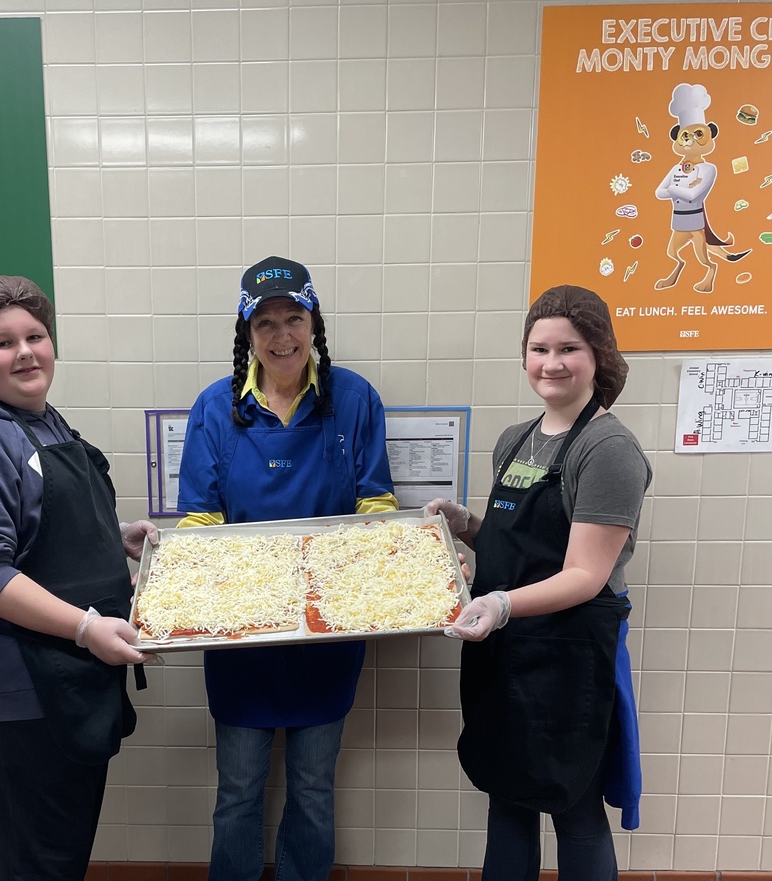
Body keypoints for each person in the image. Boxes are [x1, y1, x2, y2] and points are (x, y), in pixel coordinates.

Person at [0, 275, 156, 881]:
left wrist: (113, 540)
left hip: (72, 678)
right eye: (1, 343)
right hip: (26, 687)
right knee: (40, 862)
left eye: (35, 336)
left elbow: (41, 531)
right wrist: (85, 628)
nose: (24, 352)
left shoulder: (43, 424)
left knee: (63, 853)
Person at [177, 256, 399, 881]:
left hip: (326, 632)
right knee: (239, 790)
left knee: (313, 788)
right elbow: (199, 515)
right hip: (241, 634)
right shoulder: (216, 408)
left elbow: (375, 500)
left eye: (293, 319)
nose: (281, 337)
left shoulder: (352, 399)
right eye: (265, 323)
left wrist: (387, 560)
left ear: (313, 322)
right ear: (246, 332)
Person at [426, 284, 651, 881]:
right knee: (508, 793)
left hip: (568, 656)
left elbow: (583, 573)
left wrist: (500, 604)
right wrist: (465, 526)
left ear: (598, 355)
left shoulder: (608, 449)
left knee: (572, 804)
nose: (552, 363)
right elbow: (517, 543)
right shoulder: (516, 440)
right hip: (506, 651)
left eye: (569, 348)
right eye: (538, 348)